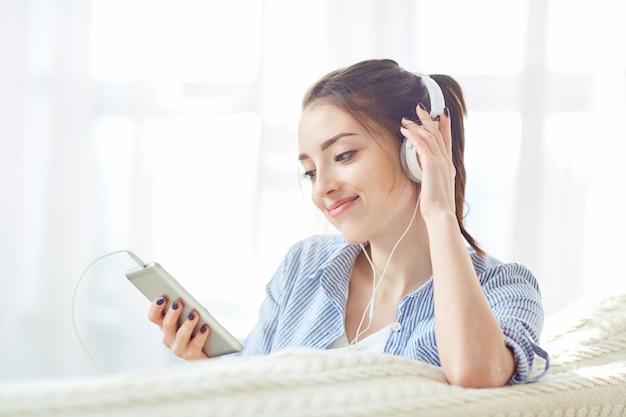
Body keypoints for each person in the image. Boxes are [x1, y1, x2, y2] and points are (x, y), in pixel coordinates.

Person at [147, 58, 550, 388]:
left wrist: (441, 212)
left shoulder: (505, 289)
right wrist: (206, 363)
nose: (322, 188)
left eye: (342, 156)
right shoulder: (303, 268)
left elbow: (474, 372)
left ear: (415, 152)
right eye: (309, 172)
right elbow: (252, 383)